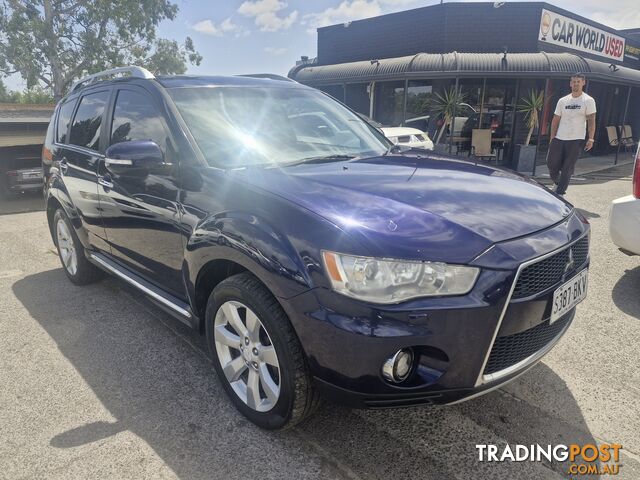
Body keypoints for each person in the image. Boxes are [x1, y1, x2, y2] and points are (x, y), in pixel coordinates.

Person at [547, 73, 597, 195]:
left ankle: (560, 192)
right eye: (573, 81)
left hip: (576, 139)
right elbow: (556, 119)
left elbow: (591, 120)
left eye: (578, 81)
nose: (575, 84)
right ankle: (558, 182)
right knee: (551, 163)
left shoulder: (588, 100)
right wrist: (552, 136)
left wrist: (591, 138)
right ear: (570, 83)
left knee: (567, 168)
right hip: (559, 137)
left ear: (583, 83)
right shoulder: (563, 100)